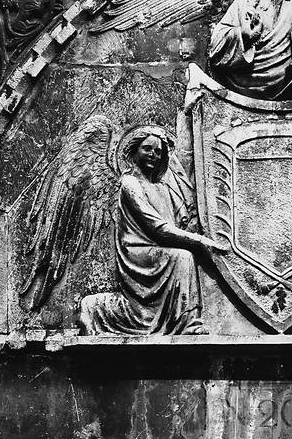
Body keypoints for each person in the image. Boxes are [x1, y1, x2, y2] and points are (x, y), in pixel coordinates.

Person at [78, 128, 222, 335]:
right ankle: (185, 323)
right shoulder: (130, 184)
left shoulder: (162, 188)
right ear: (133, 151)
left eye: (158, 151)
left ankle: (182, 321)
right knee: (184, 256)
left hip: (160, 249)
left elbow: (174, 220)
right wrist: (199, 241)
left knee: (183, 256)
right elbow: (157, 229)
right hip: (139, 252)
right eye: (147, 149)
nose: (153, 155)